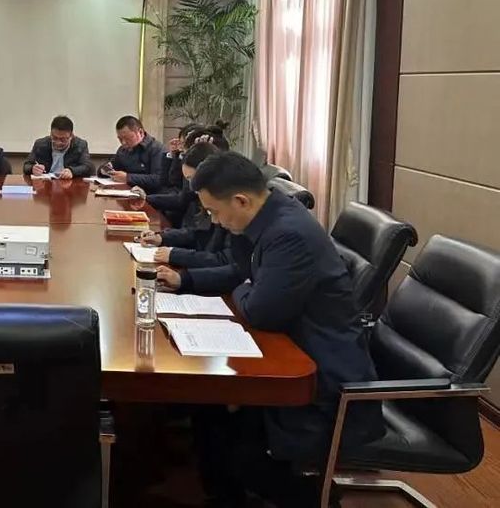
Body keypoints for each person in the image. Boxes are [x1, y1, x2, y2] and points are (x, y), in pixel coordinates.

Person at [157, 152, 383, 506]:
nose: (214, 221)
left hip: (322, 381)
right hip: (293, 348)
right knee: (208, 410)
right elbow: (240, 273)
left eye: (214, 212)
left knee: (240, 453)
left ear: (241, 200)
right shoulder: (265, 218)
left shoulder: (288, 234)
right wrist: (187, 281)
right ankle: (223, 495)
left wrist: (246, 285)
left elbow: (260, 312)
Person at [137, 142, 232, 270]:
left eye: (192, 179)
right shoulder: (205, 197)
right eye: (188, 180)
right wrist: (161, 237)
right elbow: (197, 232)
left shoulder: (226, 203)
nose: (191, 187)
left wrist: (176, 258)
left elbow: (224, 261)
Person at [102, 115, 164, 190]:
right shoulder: (122, 150)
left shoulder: (157, 149)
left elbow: (158, 179)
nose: (123, 143)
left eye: (127, 138)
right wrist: (105, 170)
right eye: (120, 139)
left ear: (140, 132)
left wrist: (128, 178)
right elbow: (111, 166)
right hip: (125, 192)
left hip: (150, 194)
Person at [23, 115, 94, 179]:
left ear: (71, 136)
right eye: (54, 138)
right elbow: (26, 166)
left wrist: (72, 171)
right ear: (50, 134)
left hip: (68, 184)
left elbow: (88, 167)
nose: (58, 142)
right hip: (46, 184)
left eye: (63, 139)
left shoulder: (80, 145)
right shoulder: (40, 144)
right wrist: (32, 168)